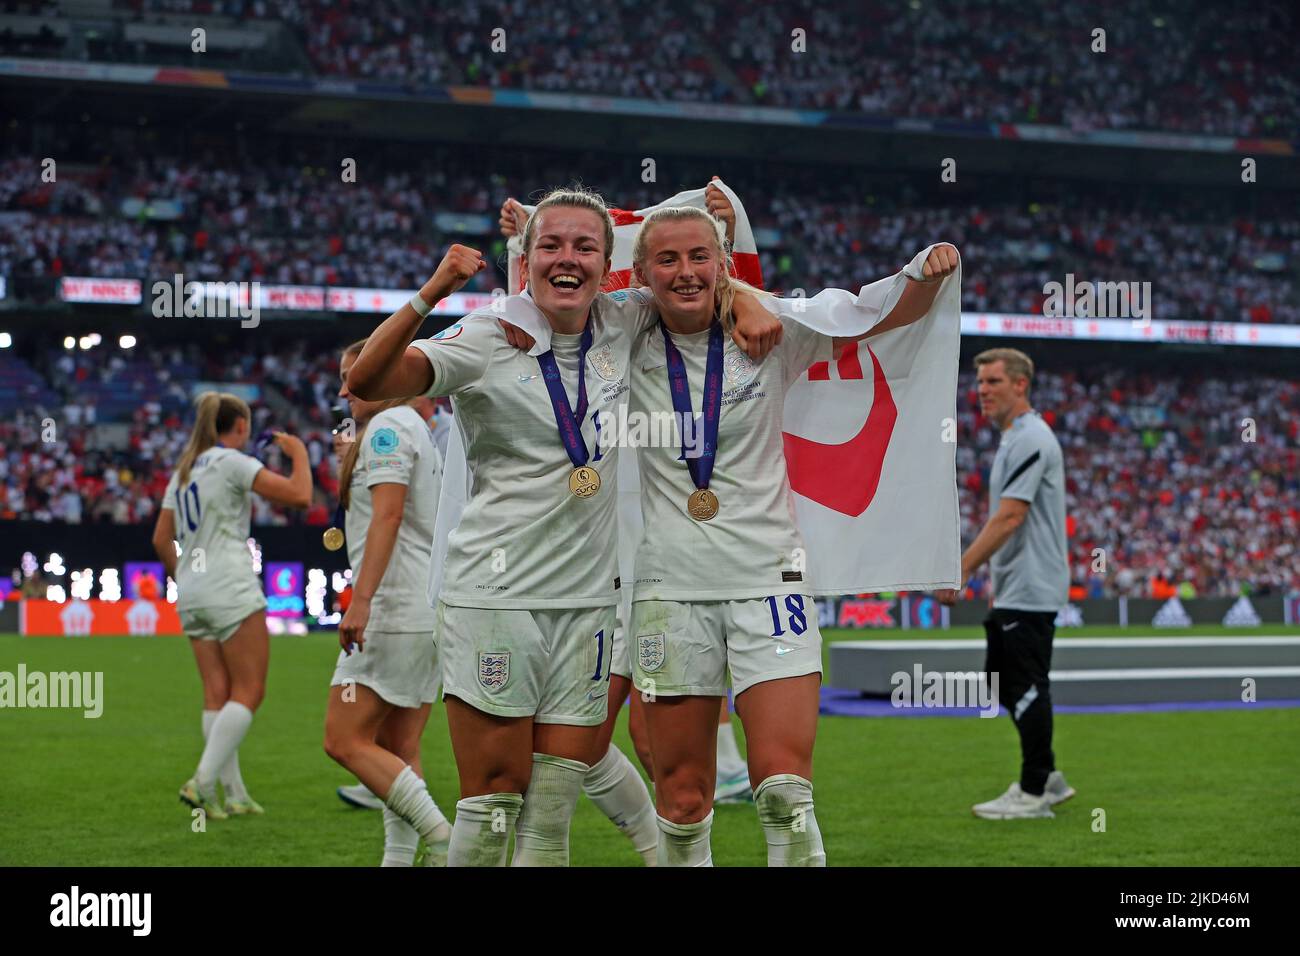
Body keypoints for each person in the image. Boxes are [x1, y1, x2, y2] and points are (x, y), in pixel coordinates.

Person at [346, 186, 780, 866]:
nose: (567, 257)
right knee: (493, 800)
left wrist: (745, 293)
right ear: (526, 258)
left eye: (585, 246)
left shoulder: (623, 320)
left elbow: (691, 282)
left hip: (589, 609)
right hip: (496, 600)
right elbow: (368, 383)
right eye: (551, 245)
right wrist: (434, 290)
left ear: (608, 265)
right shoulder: (486, 337)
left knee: (551, 813)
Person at [625, 204, 959, 865]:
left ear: (723, 264)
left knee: (784, 791)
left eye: (701, 257)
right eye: (667, 259)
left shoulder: (777, 331)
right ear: (641, 274)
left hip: (767, 582)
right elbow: (555, 288)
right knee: (684, 799)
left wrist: (923, 272)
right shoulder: (619, 335)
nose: (686, 272)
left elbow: (882, 316)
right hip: (667, 591)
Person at [322, 340, 452, 866]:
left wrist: (362, 601)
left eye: (354, 377)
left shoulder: (388, 429)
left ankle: (443, 838)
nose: (343, 391)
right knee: (400, 750)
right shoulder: (411, 427)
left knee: (343, 739)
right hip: (423, 608)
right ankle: (399, 861)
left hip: (394, 610)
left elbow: (389, 518)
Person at [152, 392, 312, 819]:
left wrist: (183, 577)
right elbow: (299, 496)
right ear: (240, 427)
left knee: (215, 694)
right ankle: (202, 782)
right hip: (230, 586)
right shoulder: (231, 462)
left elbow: (158, 537)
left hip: (192, 590)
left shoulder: (183, 470)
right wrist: (299, 455)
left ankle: (234, 793)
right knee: (250, 690)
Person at [938, 348, 1074, 819]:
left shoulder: (1032, 438)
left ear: (1020, 385)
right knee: (1002, 678)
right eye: (980, 383)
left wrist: (961, 570)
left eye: (994, 381)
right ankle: (1049, 776)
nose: (983, 390)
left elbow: (1011, 516)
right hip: (1019, 585)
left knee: (1027, 683)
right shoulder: (1015, 438)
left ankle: (1036, 790)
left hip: (1032, 585)